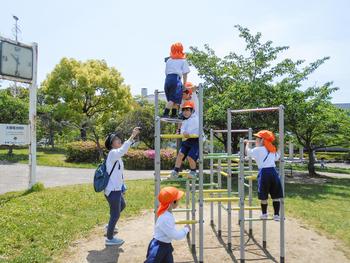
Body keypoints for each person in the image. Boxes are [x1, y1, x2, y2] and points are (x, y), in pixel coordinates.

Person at [104, 127, 141, 246]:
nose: (119, 140)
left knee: (122, 205)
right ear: (111, 144)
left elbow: (118, 174)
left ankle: (110, 225)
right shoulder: (113, 153)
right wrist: (132, 136)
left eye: (119, 138)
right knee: (116, 214)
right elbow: (123, 150)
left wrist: (123, 186)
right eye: (115, 139)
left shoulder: (116, 156)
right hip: (112, 190)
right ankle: (109, 238)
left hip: (117, 189)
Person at [244, 130, 283, 221]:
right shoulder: (271, 149)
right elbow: (277, 157)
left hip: (264, 173)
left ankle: (264, 214)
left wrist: (247, 144)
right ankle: (276, 215)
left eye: (257, 138)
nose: (255, 140)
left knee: (263, 194)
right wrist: (280, 148)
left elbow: (248, 152)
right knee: (275, 195)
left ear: (262, 140)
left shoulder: (258, 149)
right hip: (273, 172)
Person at [144, 187, 190, 263]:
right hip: (158, 247)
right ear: (173, 202)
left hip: (166, 245)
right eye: (178, 200)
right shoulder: (166, 217)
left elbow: (168, 225)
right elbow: (176, 236)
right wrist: (186, 229)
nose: (179, 201)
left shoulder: (167, 213)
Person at [170, 101, 199, 179]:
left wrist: (186, 133)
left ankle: (193, 172)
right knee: (180, 154)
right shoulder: (184, 120)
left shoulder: (196, 118)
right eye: (184, 110)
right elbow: (182, 130)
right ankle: (175, 171)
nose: (185, 112)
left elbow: (194, 128)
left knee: (190, 157)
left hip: (196, 140)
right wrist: (182, 132)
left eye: (187, 110)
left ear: (192, 111)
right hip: (187, 140)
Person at [163, 42, 190, 118]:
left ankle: (174, 114)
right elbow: (185, 74)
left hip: (167, 79)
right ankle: (165, 113)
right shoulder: (183, 60)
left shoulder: (169, 60)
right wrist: (184, 84)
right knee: (172, 99)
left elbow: (166, 72)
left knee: (175, 99)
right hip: (176, 79)